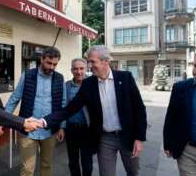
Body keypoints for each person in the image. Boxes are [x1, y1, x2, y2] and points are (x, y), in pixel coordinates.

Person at [42, 45, 147, 176]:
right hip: (105, 138)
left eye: (93, 62)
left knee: (133, 172)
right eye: (89, 62)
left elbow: (139, 109)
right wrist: (45, 121)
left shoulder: (125, 78)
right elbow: (70, 109)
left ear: (106, 61)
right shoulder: (88, 84)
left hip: (128, 136)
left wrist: (139, 138)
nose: (90, 66)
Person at [4, 46, 66, 176]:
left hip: (49, 130)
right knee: (27, 169)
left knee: (46, 165)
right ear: (42, 59)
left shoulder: (59, 78)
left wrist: (62, 126)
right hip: (28, 130)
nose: (52, 67)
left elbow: (63, 104)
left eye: (55, 64)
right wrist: (3, 118)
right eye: (49, 63)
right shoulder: (27, 75)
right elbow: (15, 98)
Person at [65, 58, 93, 176]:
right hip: (71, 129)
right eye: (76, 69)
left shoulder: (92, 84)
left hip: (87, 130)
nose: (79, 72)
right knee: (73, 162)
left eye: (81, 68)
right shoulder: (66, 86)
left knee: (87, 164)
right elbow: (63, 107)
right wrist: (62, 127)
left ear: (86, 69)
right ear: (71, 70)